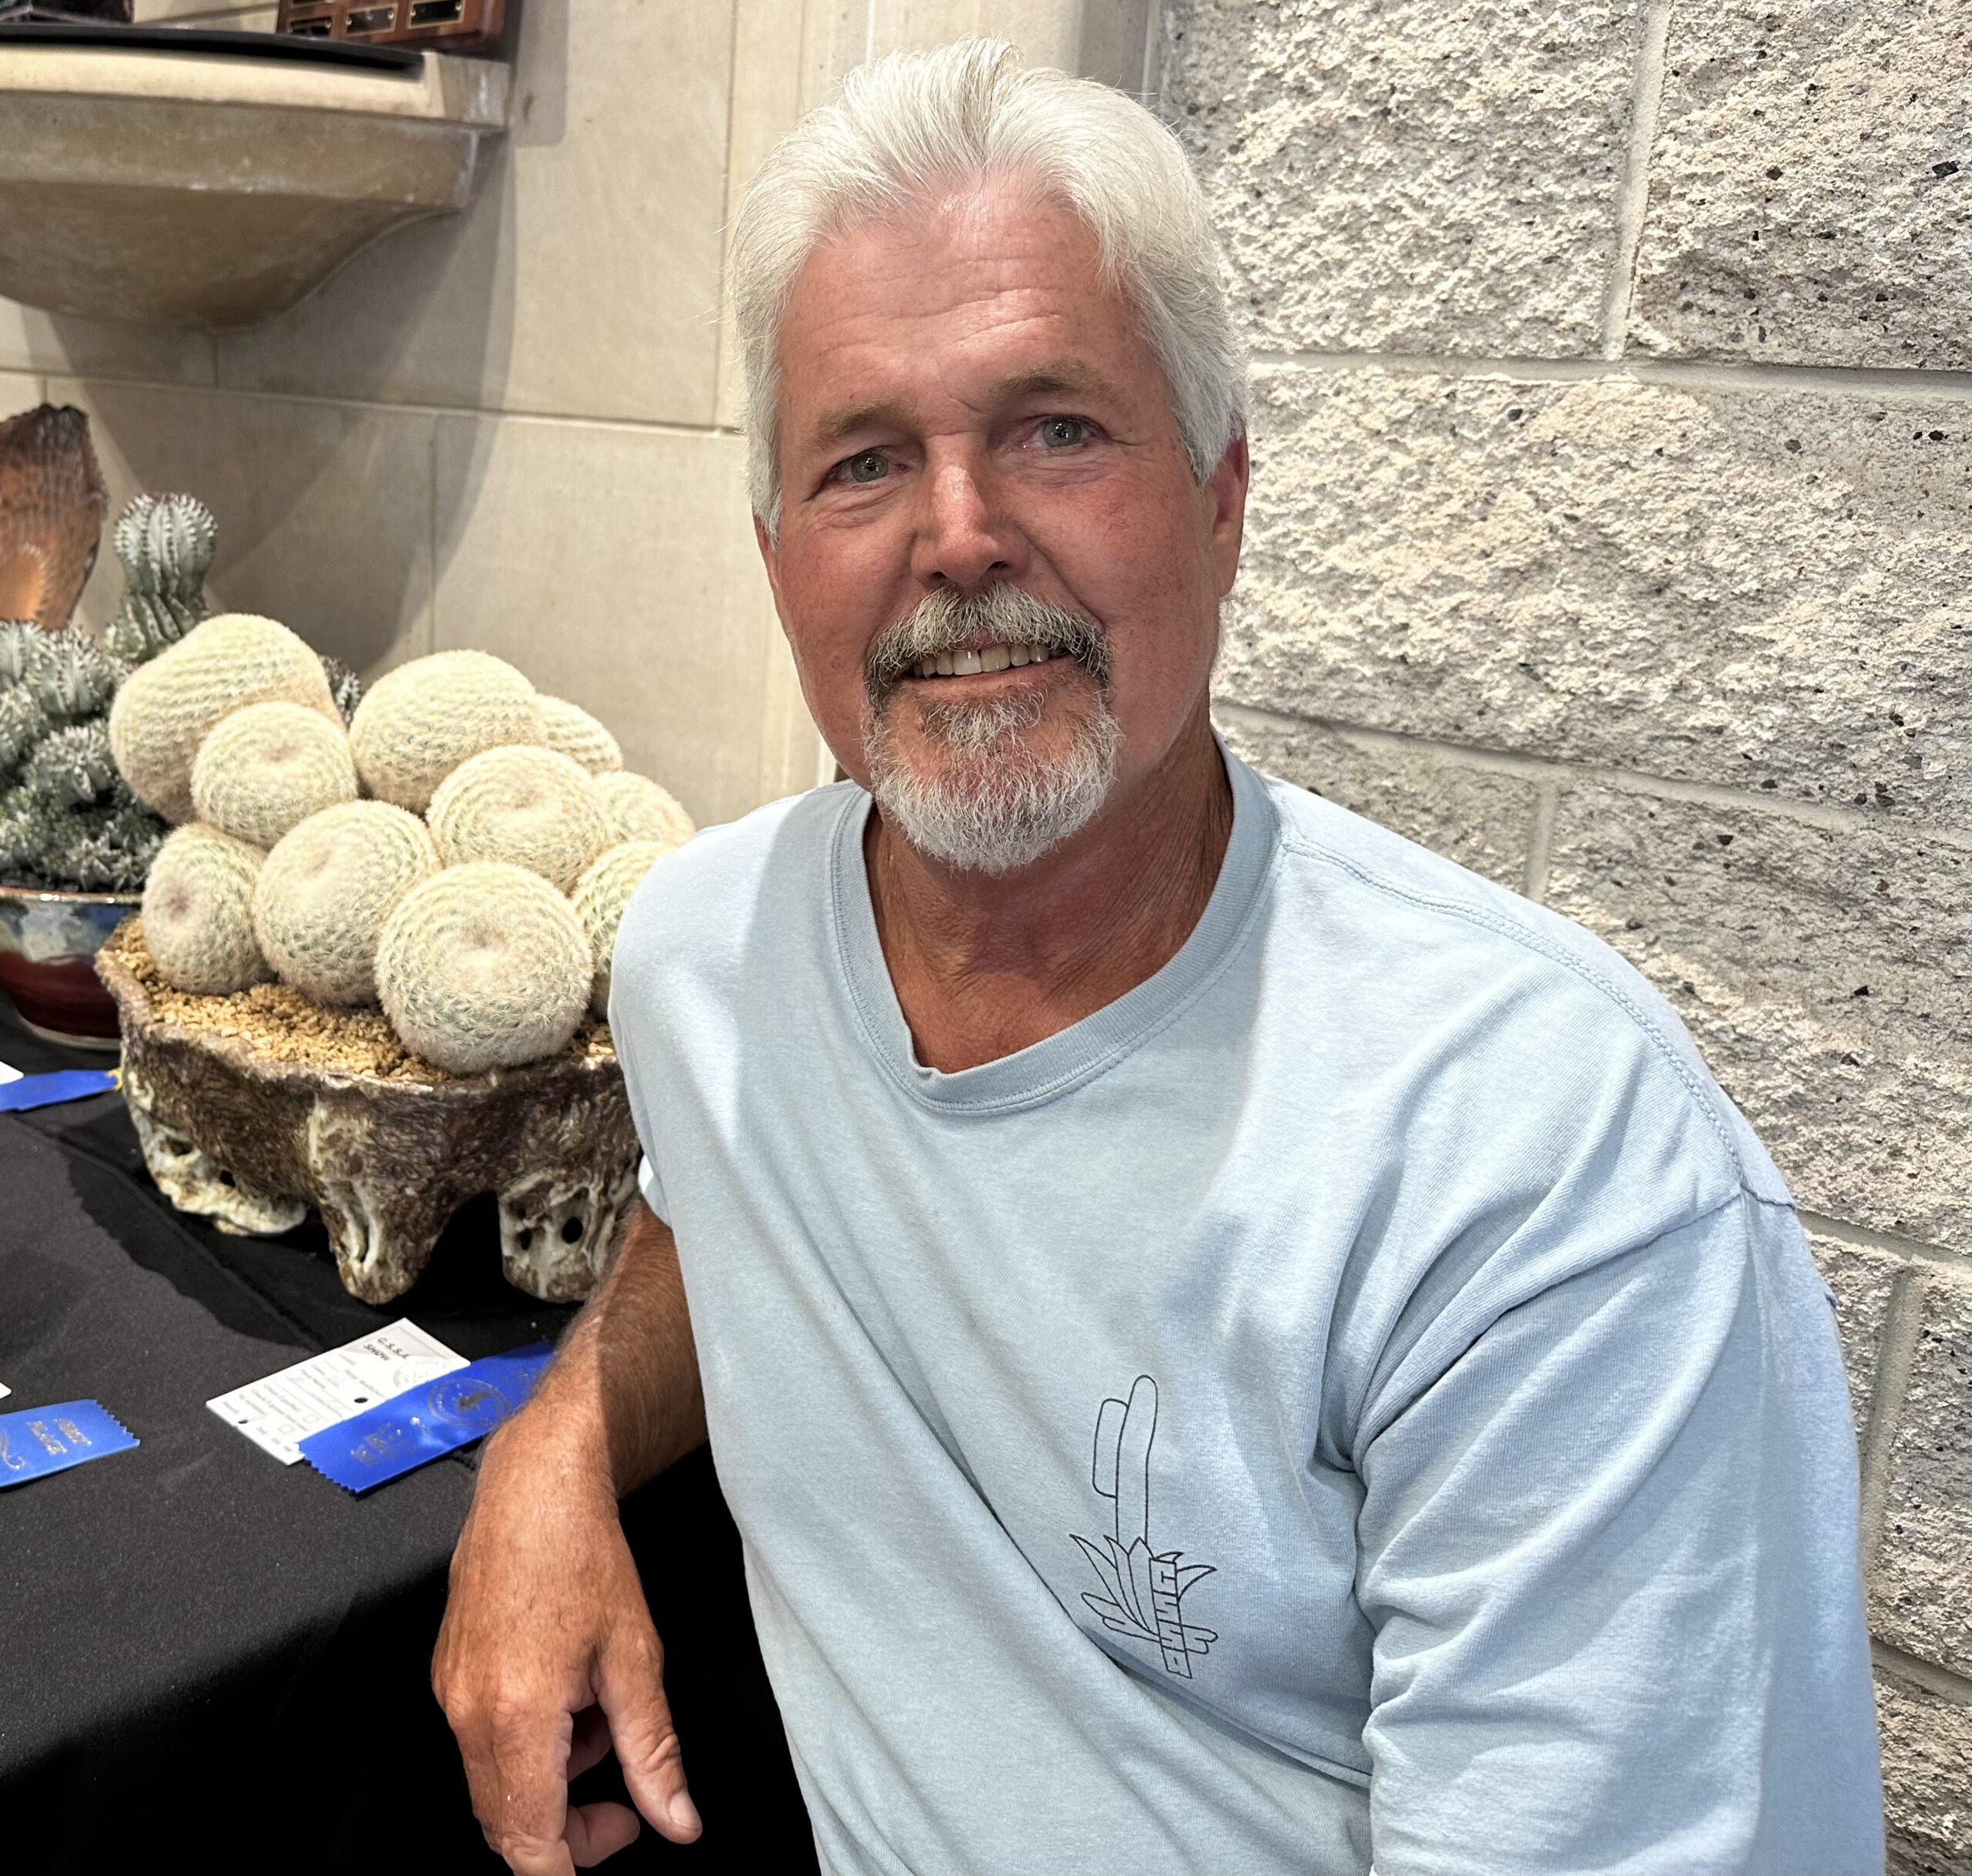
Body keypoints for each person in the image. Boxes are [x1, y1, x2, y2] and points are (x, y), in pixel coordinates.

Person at [432, 40, 1883, 1876]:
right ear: (777, 554)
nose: (957, 538)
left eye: (1052, 426)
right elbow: (709, 1206)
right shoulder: (705, 952)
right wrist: (548, 1453)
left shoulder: (1540, 1163)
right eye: (864, 462)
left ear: (1219, 500)